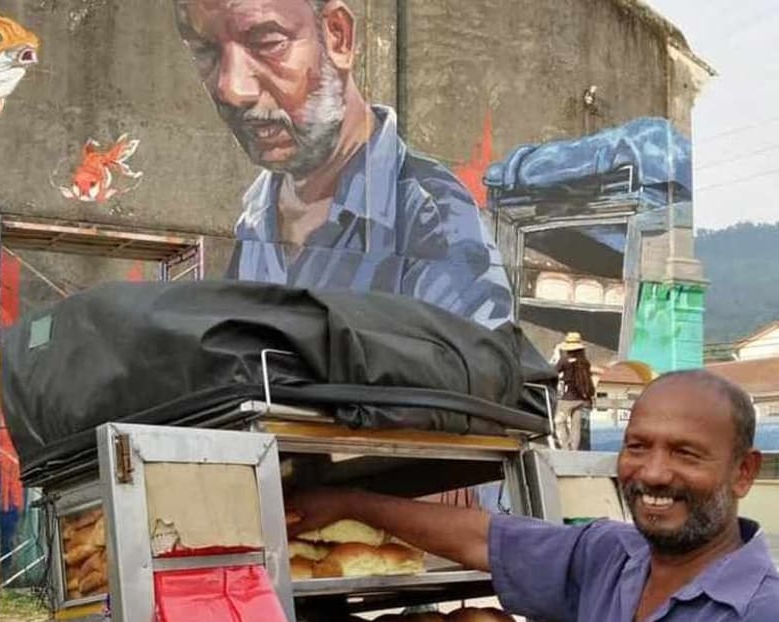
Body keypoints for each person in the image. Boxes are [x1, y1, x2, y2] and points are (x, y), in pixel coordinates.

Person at [287, 370, 779, 620]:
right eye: (637, 447)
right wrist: (351, 504)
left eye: (685, 454)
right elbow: (482, 539)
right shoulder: (610, 555)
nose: (652, 473)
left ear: (743, 472)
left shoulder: (761, 609)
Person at [173, 0, 513, 329]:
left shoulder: (432, 220)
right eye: (205, 51)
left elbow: (476, 366)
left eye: (267, 44)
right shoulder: (256, 216)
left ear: (338, 36)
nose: (232, 89)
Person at [553, 332, 595, 450]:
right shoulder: (585, 362)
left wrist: (557, 354)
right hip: (581, 399)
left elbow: (553, 371)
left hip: (568, 398)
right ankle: (574, 449)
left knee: (559, 421)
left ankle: (566, 447)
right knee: (576, 426)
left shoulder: (564, 361)